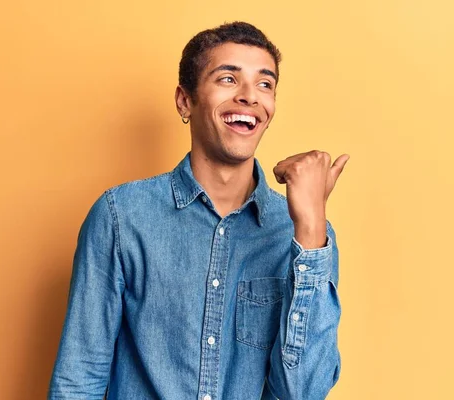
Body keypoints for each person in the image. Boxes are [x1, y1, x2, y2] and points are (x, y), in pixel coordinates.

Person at [48, 21, 349, 400]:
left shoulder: (309, 236)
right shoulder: (121, 216)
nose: (250, 97)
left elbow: (303, 393)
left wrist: (308, 227)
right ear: (185, 101)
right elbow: (78, 379)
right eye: (228, 79)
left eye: (265, 83)